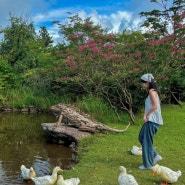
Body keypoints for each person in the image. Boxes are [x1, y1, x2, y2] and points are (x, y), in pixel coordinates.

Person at [138, 73, 163, 170]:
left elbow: (155, 106)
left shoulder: (152, 92)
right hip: (151, 121)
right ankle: (155, 155)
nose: (142, 84)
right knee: (141, 137)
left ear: (148, 82)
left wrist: (146, 114)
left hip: (152, 121)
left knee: (146, 142)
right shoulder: (153, 91)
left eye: (143, 82)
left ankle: (148, 165)